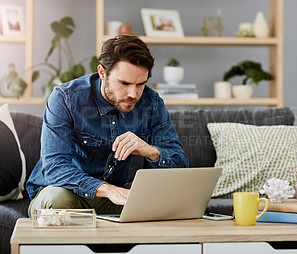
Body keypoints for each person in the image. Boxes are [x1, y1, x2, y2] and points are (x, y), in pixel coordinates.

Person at [26, 35, 189, 217]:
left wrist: (150, 151)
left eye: (140, 84)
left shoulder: (152, 103)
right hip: (65, 193)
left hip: (116, 197)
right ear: (102, 73)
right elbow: (55, 167)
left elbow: (181, 166)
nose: (133, 94)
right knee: (58, 201)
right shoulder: (65, 98)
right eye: (124, 83)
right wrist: (109, 190)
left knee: (176, 201)